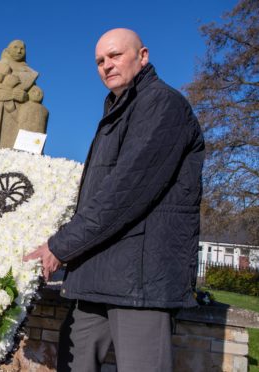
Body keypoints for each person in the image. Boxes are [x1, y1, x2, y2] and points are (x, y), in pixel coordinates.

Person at [25, 28, 204, 371]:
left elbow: (124, 192)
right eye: (99, 61)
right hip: (95, 276)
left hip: (140, 283)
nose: (107, 65)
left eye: (115, 55)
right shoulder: (116, 112)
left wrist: (60, 246)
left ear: (143, 56)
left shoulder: (163, 105)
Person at [0, 40, 41, 148]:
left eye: (22, 49)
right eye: (15, 47)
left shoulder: (30, 73)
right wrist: (12, 94)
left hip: (19, 118)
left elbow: (33, 95)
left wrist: (34, 94)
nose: (19, 51)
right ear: (8, 50)